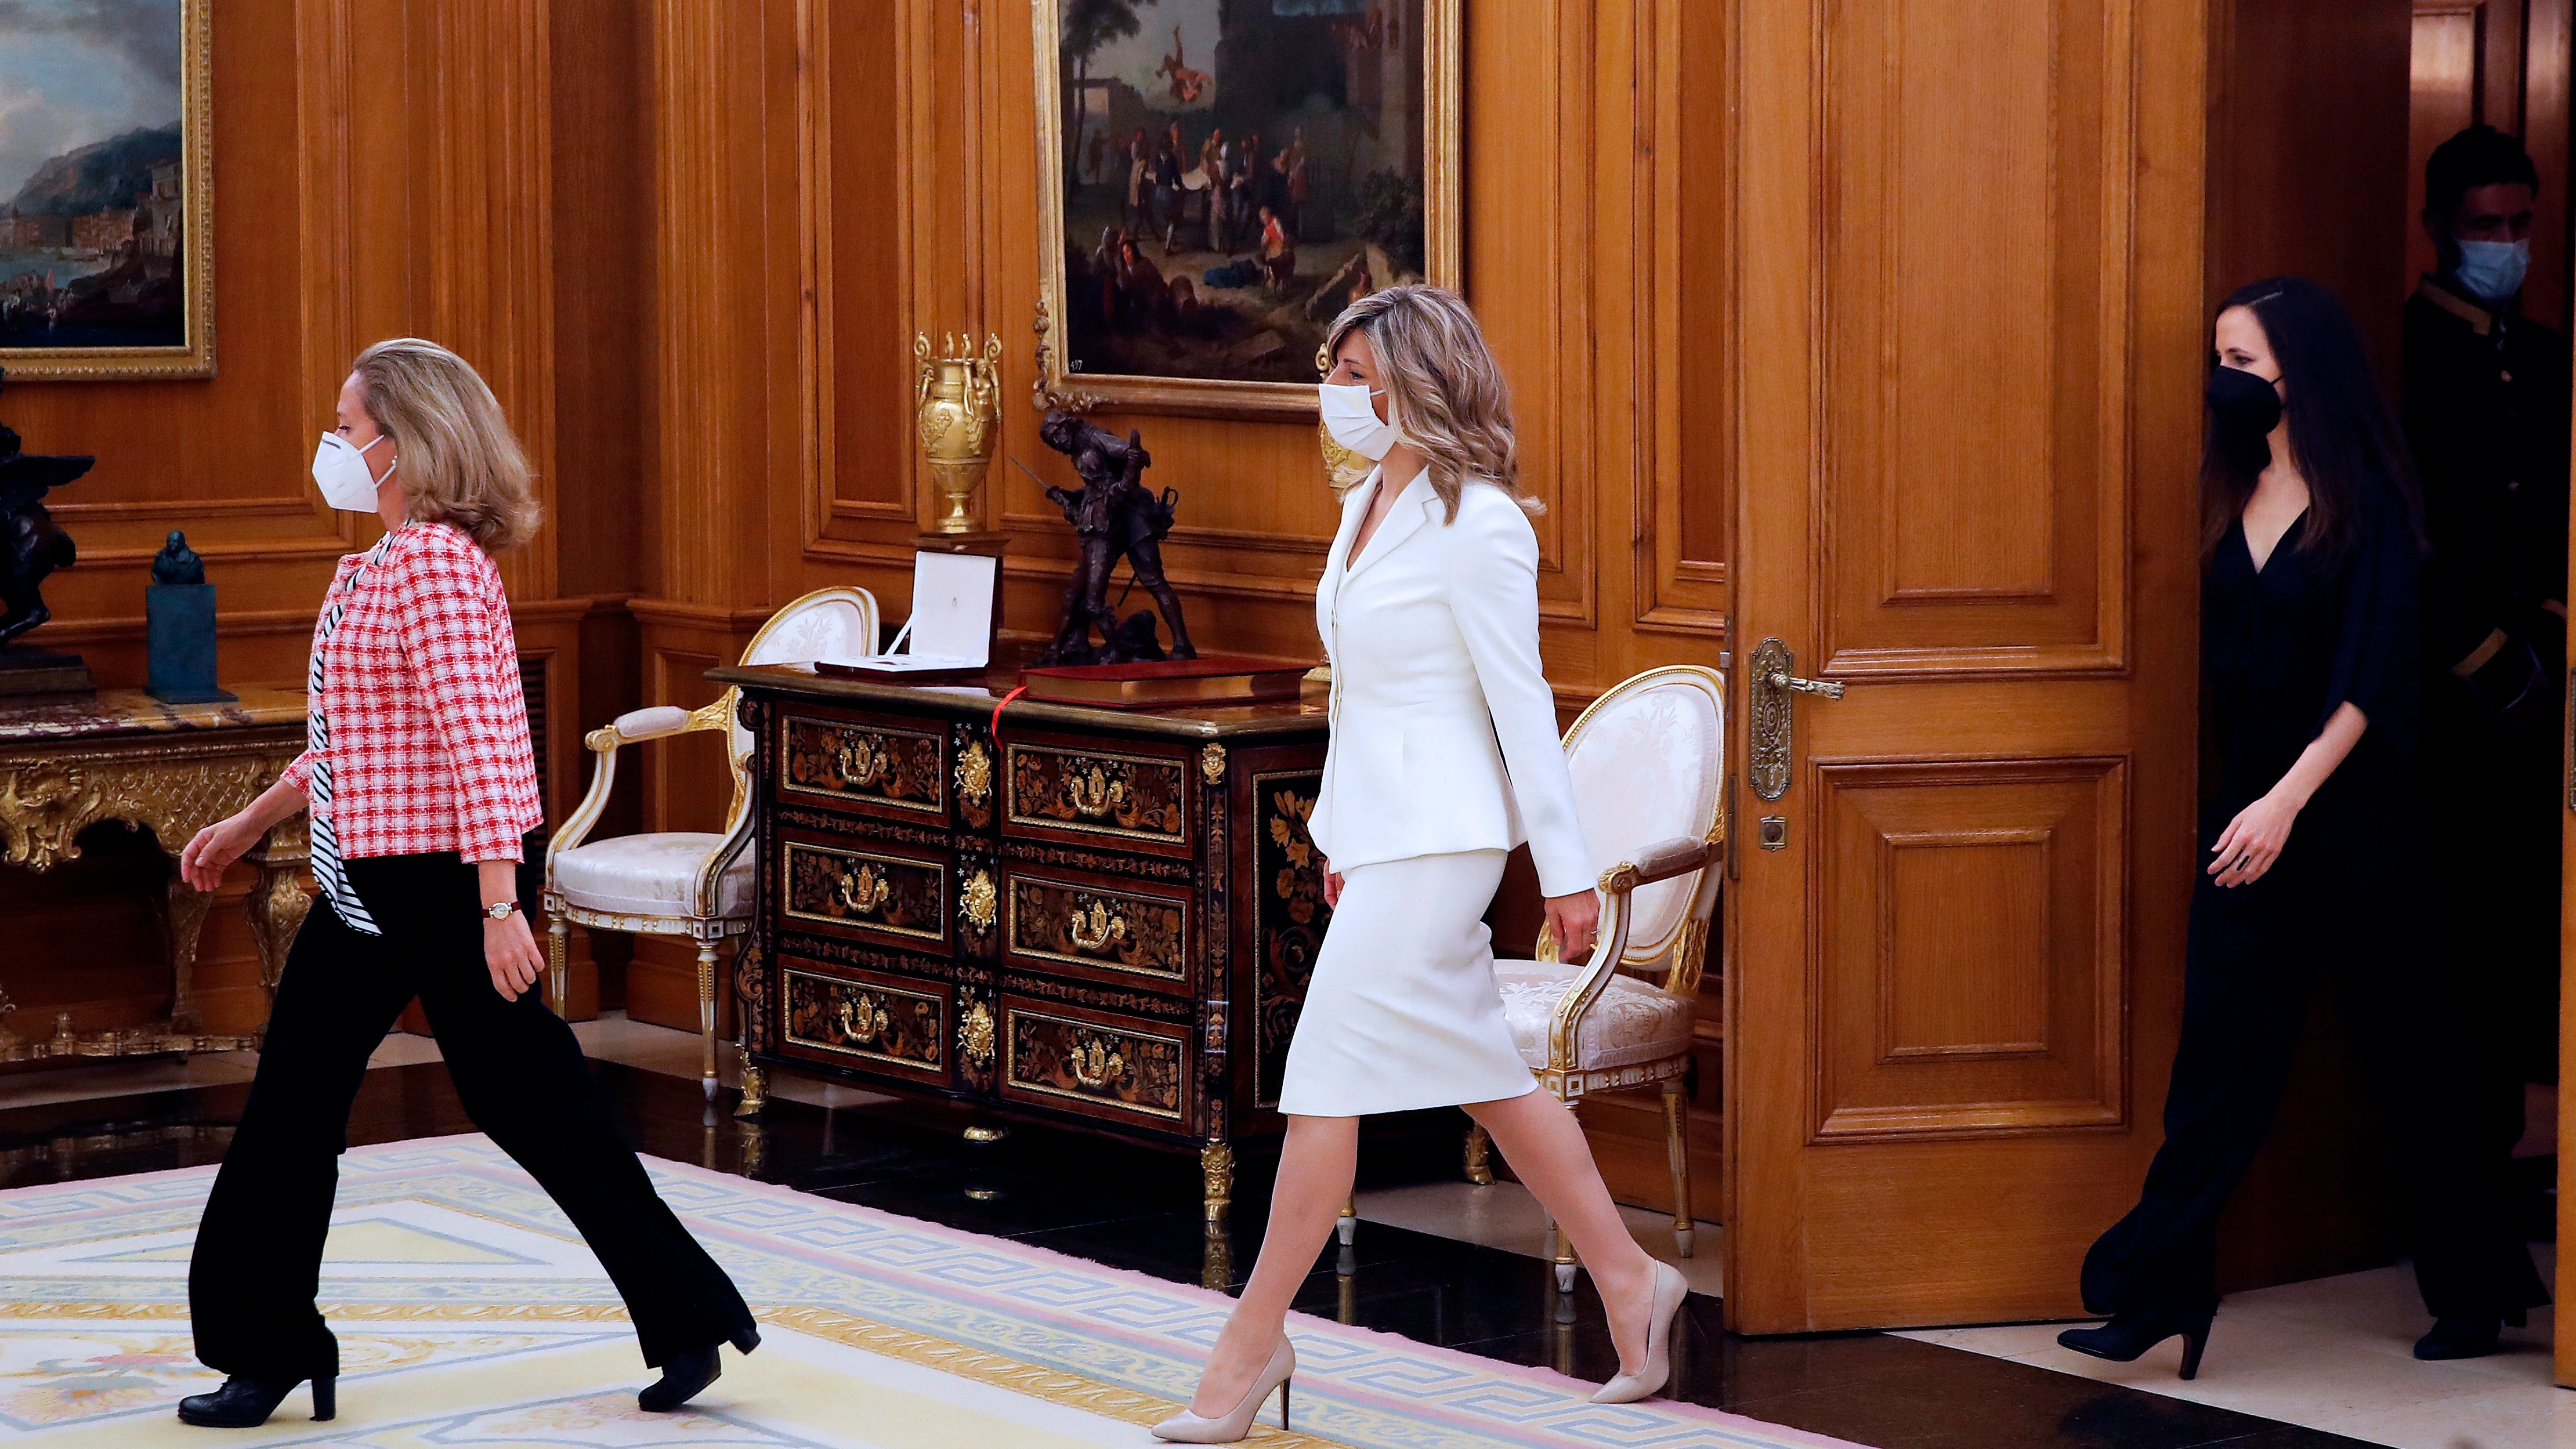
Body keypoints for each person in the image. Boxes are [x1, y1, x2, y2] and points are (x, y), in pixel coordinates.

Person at [174, 339, 759, 1428]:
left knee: (530, 1099)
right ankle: (270, 1344)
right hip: (369, 884)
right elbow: (360, 743)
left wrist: (500, 907)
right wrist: (251, 818)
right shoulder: (373, 565)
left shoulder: (436, 564)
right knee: (294, 1099)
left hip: (449, 885)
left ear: (403, 440)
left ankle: (687, 1313)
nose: (335, 448)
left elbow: (486, 742)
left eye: (346, 429)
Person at [1150, 284, 1687, 1444]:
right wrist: (1343, 837)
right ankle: (1634, 1282)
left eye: (1349, 373)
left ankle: (1251, 1344)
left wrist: (1570, 874)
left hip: (1447, 841)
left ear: (1410, 384)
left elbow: (1522, 704)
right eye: (1332, 372)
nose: (1331, 393)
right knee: (1488, 1072)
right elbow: (1360, 697)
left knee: (1321, 1084)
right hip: (1385, 838)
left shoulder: (1482, 521)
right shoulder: (1358, 511)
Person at [2063, 280, 2547, 1379]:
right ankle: (2158, 1291)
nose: (2221, 376)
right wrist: (2255, 806)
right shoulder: (2233, 482)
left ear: (2298, 373)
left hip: (2356, 816)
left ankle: (2475, 1290)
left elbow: (2372, 683)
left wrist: (2286, 801)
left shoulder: (2368, 498)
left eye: (2240, 357)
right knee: (2219, 1055)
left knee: (2418, 1059)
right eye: (2218, 355)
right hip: (2254, 819)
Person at [2401, 123, 2571, 1248]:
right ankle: (2463, 1200)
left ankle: (2532, 1167)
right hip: (2450, 705)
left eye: (2519, 225)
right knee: (2459, 943)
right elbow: (2417, 536)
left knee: (2535, 935)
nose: (2505, 245)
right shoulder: (2409, 353)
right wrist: (2488, 661)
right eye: (2484, 228)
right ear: (2439, 232)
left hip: (2550, 691)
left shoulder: (2550, 353)